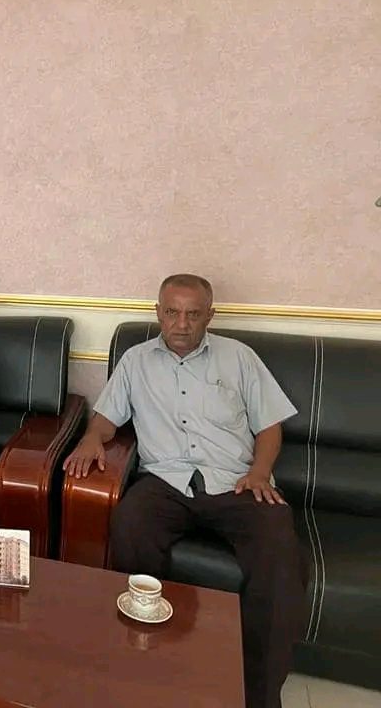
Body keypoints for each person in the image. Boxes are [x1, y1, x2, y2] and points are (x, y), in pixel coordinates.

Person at [62, 273, 306, 708]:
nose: (182, 324)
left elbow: (270, 426)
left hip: (235, 482)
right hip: (164, 482)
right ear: (158, 312)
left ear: (210, 315)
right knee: (130, 523)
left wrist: (259, 472)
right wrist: (91, 438)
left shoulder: (239, 357)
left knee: (279, 548)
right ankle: (144, 665)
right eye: (172, 312)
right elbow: (106, 420)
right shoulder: (135, 361)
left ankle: (259, 694)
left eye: (193, 314)